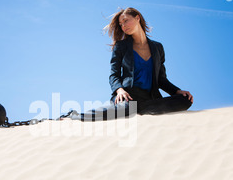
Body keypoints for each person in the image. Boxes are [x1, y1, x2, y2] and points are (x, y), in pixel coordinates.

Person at [61, 7, 193, 121]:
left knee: (185, 100)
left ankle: (140, 110)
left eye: (125, 21)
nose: (123, 26)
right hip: (128, 96)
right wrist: (119, 90)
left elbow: (161, 80)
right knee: (127, 108)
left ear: (137, 18)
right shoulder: (121, 46)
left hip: (150, 99)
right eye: (121, 24)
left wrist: (177, 91)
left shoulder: (158, 48)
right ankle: (75, 116)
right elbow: (114, 75)